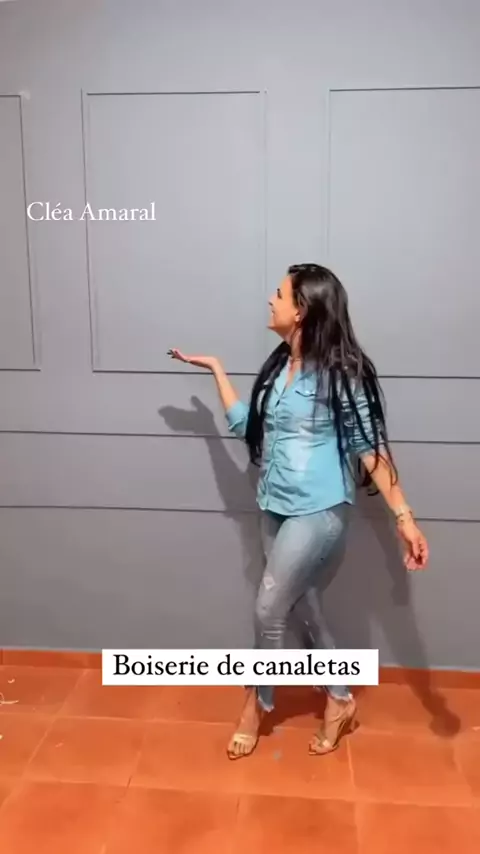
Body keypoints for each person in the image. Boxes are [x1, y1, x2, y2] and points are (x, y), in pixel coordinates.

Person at [168, 262, 429, 760]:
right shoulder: (277, 369)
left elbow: (371, 449)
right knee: (302, 606)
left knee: (268, 607)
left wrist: (405, 519)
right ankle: (340, 699)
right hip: (274, 505)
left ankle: (255, 705)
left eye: (279, 293)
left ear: (302, 309)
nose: (271, 300)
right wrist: (217, 370)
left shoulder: (341, 374)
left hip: (319, 510)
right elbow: (249, 427)